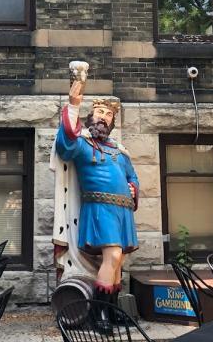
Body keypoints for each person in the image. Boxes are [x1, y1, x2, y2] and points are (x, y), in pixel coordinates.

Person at [53, 70, 139, 332]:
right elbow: (65, 142)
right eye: (99, 113)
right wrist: (73, 104)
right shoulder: (83, 145)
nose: (103, 117)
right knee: (111, 256)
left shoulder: (119, 151)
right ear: (91, 117)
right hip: (99, 208)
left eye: (109, 115)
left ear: (112, 122)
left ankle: (112, 312)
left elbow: (131, 175)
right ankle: (100, 313)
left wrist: (134, 188)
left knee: (117, 262)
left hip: (122, 211)